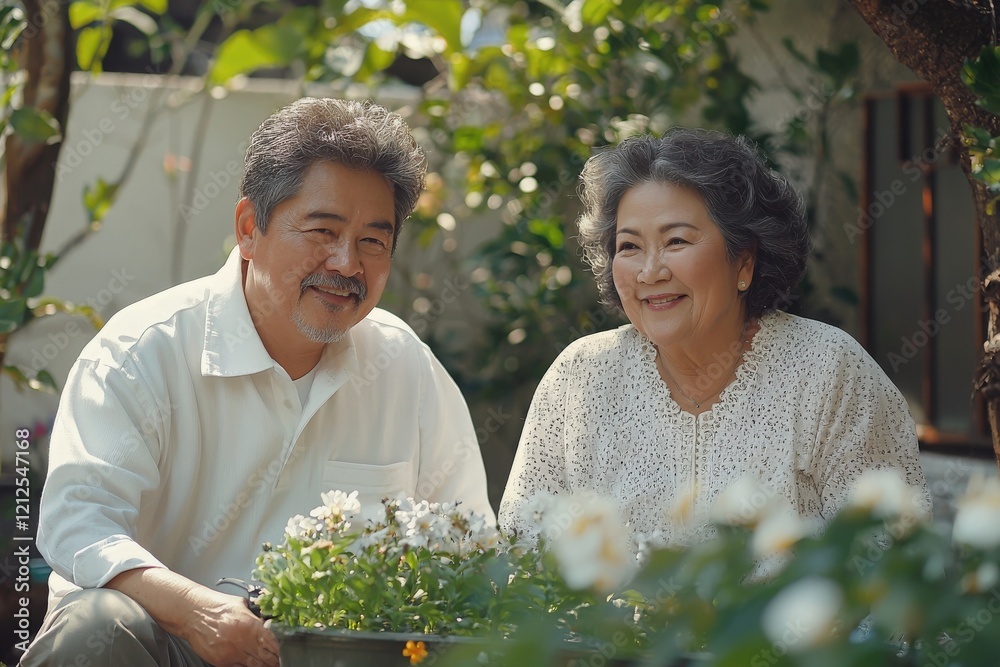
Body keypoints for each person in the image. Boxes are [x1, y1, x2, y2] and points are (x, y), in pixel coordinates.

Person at [22, 98, 495, 667]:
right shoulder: (141, 352)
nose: (346, 263)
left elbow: (469, 549)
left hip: (328, 658)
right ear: (250, 228)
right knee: (94, 625)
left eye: (373, 240)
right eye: (323, 230)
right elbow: (80, 522)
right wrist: (198, 612)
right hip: (169, 647)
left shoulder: (406, 368)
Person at [498, 128, 930, 549]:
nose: (650, 272)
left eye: (677, 240)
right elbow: (522, 555)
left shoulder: (828, 372)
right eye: (629, 247)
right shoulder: (579, 377)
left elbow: (891, 567)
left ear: (744, 262)